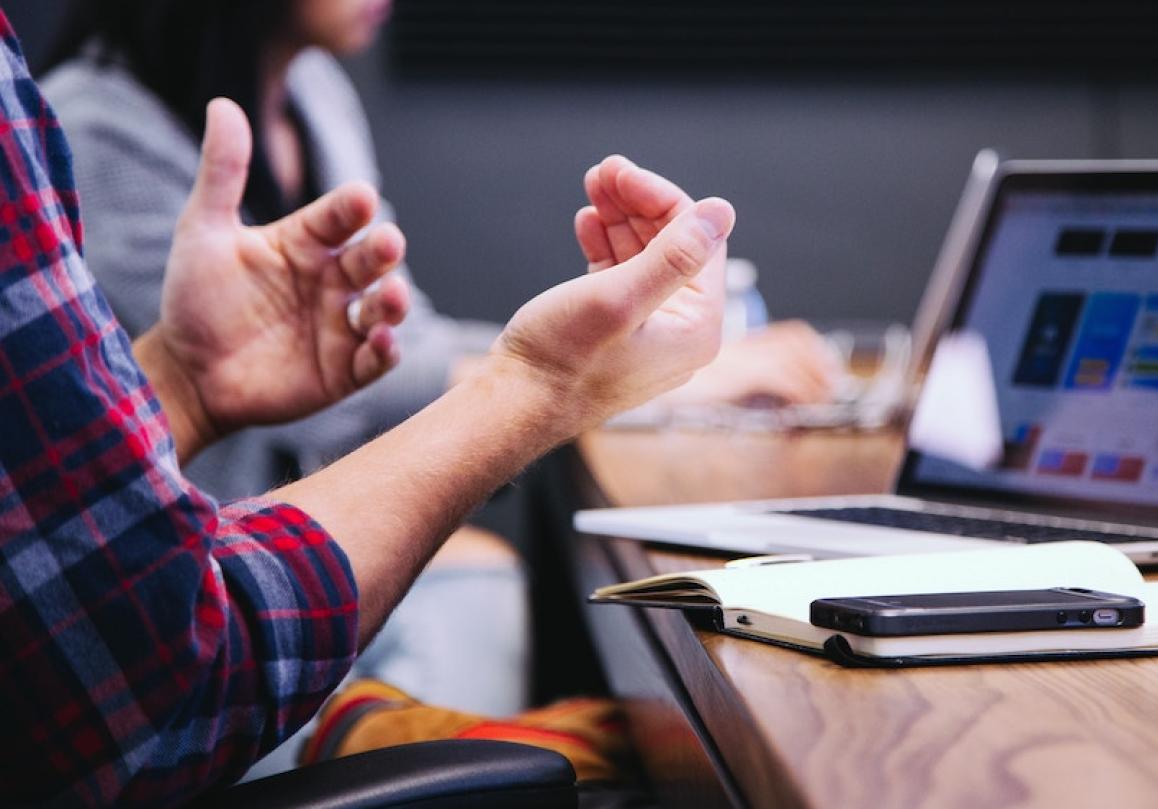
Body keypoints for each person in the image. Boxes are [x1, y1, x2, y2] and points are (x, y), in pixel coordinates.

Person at [0, 7, 738, 804]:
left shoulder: (314, 93)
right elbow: (157, 678)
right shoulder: (93, 127)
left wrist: (182, 382)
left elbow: (397, 337)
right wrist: (544, 382)